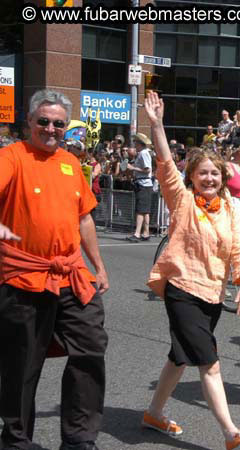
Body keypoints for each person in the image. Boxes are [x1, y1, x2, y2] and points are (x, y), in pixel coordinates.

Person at [143, 91, 240, 450]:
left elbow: (239, 249)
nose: (209, 178)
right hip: (181, 288)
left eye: (214, 174)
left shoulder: (229, 209)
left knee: (179, 357)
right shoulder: (182, 199)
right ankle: (229, 432)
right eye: (202, 173)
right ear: (192, 177)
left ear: (222, 178)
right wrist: (157, 125)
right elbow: (164, 165)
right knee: (209, 362)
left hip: (212, 292)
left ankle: (154, 413)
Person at [0, 89, 109, 450]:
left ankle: (79, 438)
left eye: (58, 123)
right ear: (29, 122)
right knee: (22, 363)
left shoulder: (71, 163)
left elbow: (85, 218)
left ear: (66, 127)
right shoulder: (12, 157)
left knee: (91, 346)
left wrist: (99, 265)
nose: (51, 128)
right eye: (43, 121)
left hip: (71, 274)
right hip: (23, 276)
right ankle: (16, 439)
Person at [126, 133, 154, 242]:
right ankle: (145, 232)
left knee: (140, 210)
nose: (135, 144)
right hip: (144, 184)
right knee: (145, 210)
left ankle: (137, 233)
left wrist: (133, 168)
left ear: (139, 143)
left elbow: (147, 169)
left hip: (144, 184)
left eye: (136, 142)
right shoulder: (144, 153)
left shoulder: (143, 153)